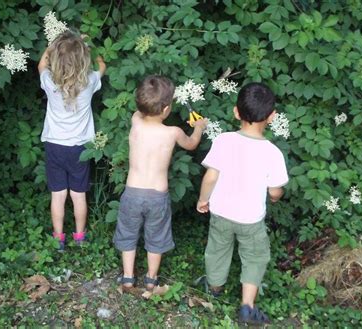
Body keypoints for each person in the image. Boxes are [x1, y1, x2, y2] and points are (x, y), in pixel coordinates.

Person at [196, 82, 288, 324]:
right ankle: (247, 306)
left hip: (222, 213)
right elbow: (276, 190)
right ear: (272, 117)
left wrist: (203, 200)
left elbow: (211, 176)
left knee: (217, 249)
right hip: (251, 219)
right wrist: (275, 197)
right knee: (255, 257)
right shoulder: (273, 152)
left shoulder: (224, 141)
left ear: (236, 112)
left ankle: (214, 288)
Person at [113, 75, 208, 291]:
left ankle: (128, 277)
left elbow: (140, 111)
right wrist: (199, 127)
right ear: (166, 110)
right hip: (157, 195)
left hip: (132, 193)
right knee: (156, 236)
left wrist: (148, 99)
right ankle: (151, 278)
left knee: (128, 233)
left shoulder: (135, 123)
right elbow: (192, 144)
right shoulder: (172, 133)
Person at [38, 31, 106, 251]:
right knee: (79, 196)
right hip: (80, 149)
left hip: (55, 146)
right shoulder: (89, 83)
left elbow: (41, 64)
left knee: (57, 196)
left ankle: (58, 238)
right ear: (82, 60)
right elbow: (102, 66)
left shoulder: (50, 82)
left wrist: (52, 46)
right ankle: (80, 237)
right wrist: (89, 45)